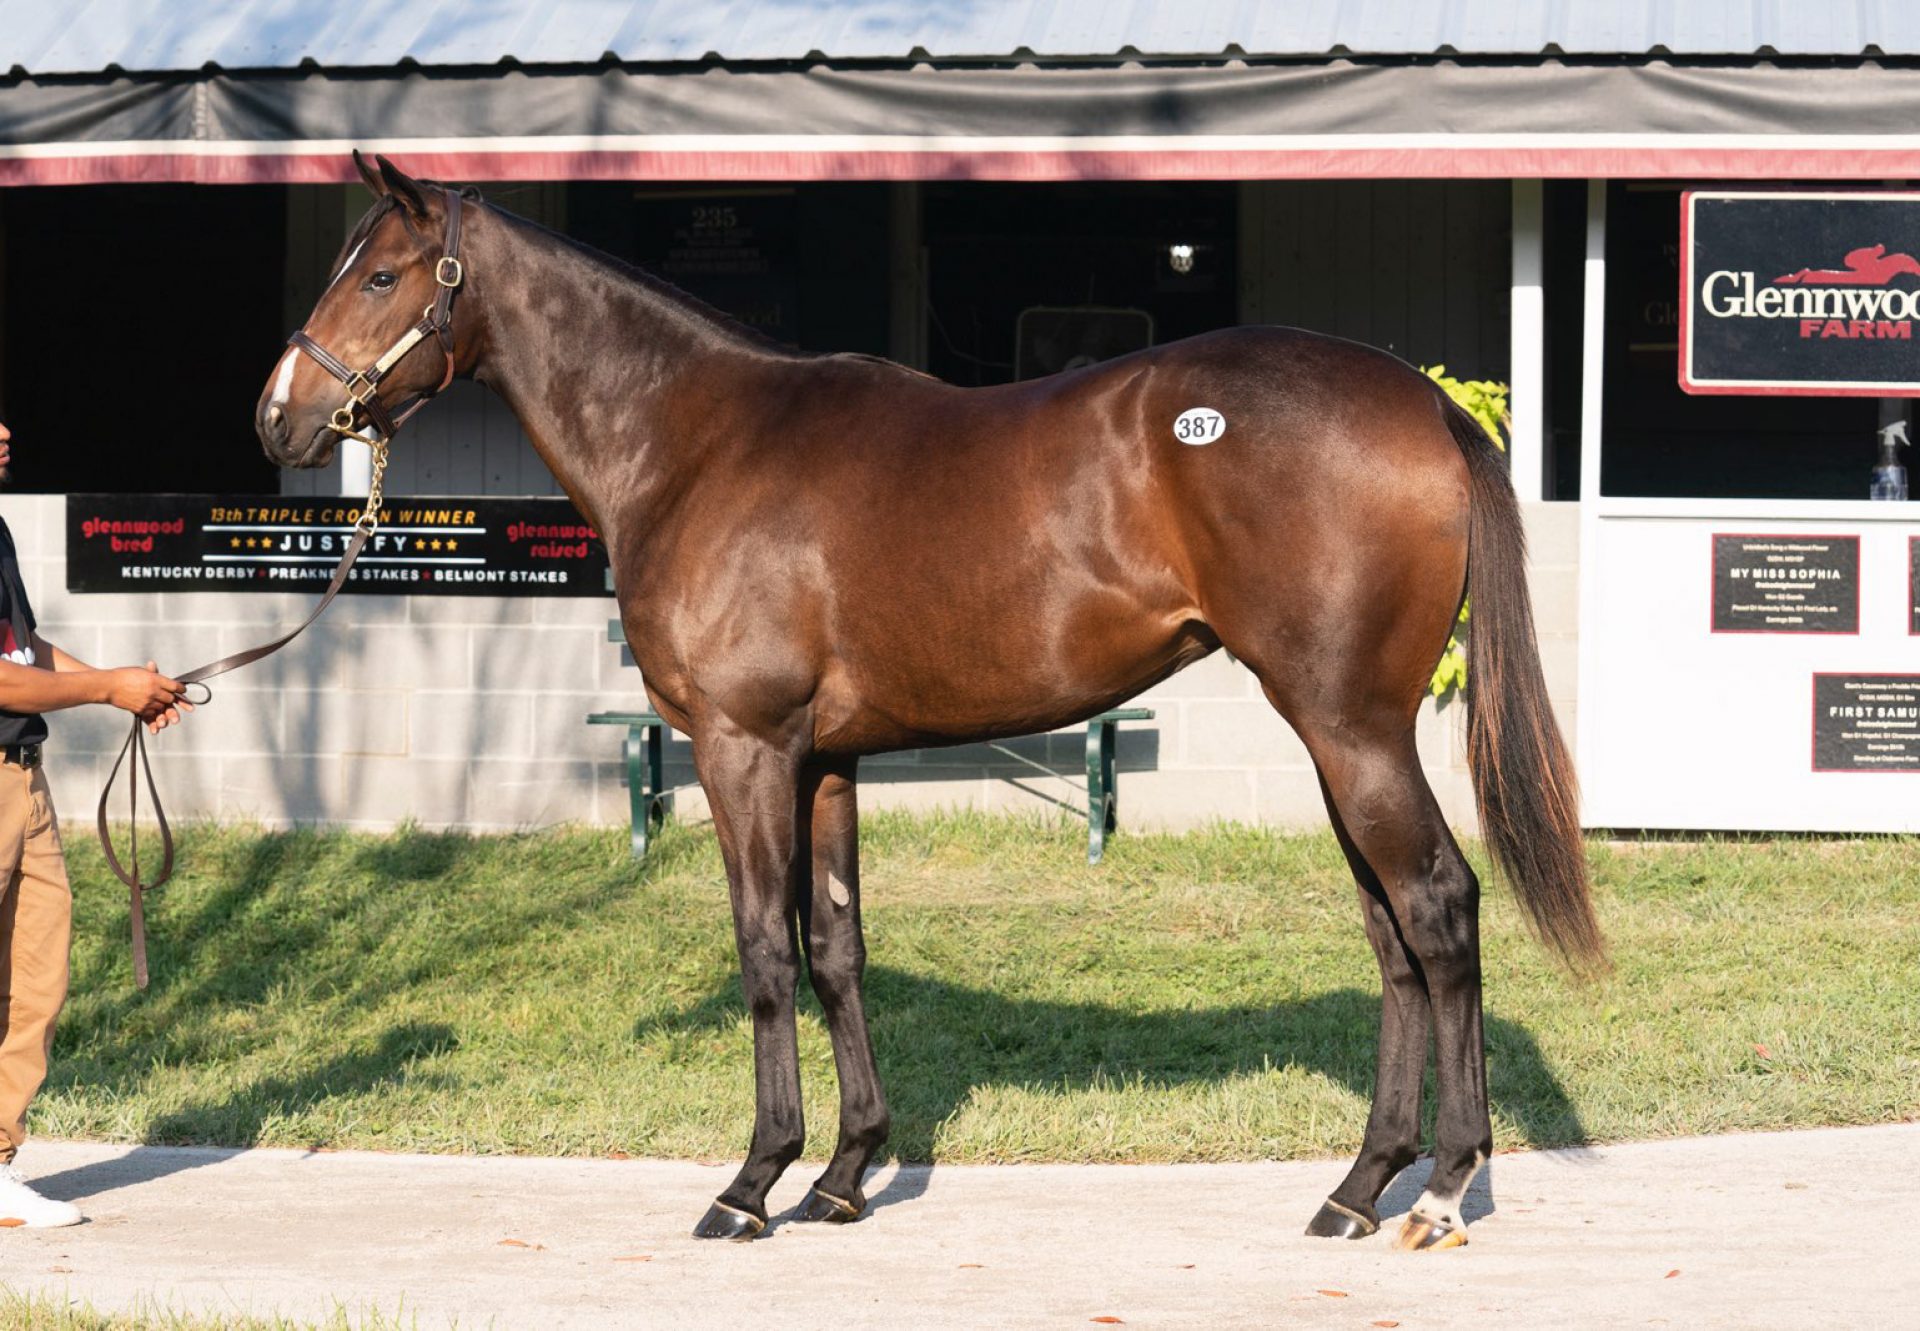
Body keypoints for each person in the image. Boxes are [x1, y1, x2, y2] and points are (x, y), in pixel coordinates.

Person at [0, 415, 189, 1227]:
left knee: (35, 976)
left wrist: (125, 685)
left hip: (22, 778)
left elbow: (23, 651)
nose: (7, 429)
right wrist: (107, 687)